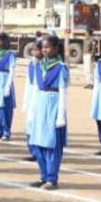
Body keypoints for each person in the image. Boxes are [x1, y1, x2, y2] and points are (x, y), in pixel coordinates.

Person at [28, 35, 69, 190]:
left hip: (53, 104)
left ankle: (52, 178)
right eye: (43, 47)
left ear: (56, 48)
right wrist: (31, 110)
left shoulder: (61, 67)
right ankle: (43, 175)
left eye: (48, 47)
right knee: (38, 143)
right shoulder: (39, 65)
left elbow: (63, 91)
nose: (45, 50)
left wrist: (61, 115)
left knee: (51, 144)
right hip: (40, 104)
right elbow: (35, 89)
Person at [0, 32, 17, 142]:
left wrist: (8, 86)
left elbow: (12, 71)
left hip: (4, 80)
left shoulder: (10, 55)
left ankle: (6, 131)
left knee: (5, 108)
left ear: (5, 42)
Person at [21, 40, 42, 162]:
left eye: (37, 50)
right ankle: (32, 151)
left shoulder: (44, 65)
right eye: (33, 50)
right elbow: (28, 82)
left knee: (38, 125)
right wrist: (25, 101)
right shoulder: (31, 63)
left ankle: (39, 152)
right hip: (30, 95)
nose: (35, 52)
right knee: (29, 125)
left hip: (40, 96)